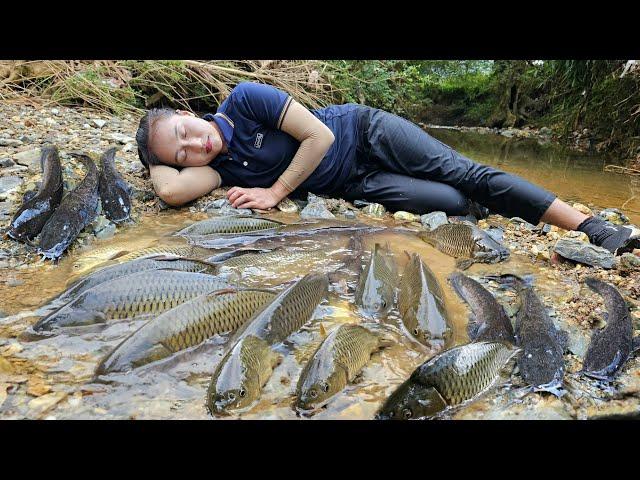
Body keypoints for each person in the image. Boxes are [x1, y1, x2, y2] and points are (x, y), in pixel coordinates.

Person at [135, 81, 639, 255]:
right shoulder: (222, 167)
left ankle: (592, 227)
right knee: (455, 205)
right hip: (356, 182)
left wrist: (274, 193)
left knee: (463, 173)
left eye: (184, 133)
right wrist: (152, 160)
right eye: (182, 154)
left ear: (187, 113)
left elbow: (320, 136)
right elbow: (173, 193)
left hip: (362, 132)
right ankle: (502, 204)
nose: (194, 146)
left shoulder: (246, 101)